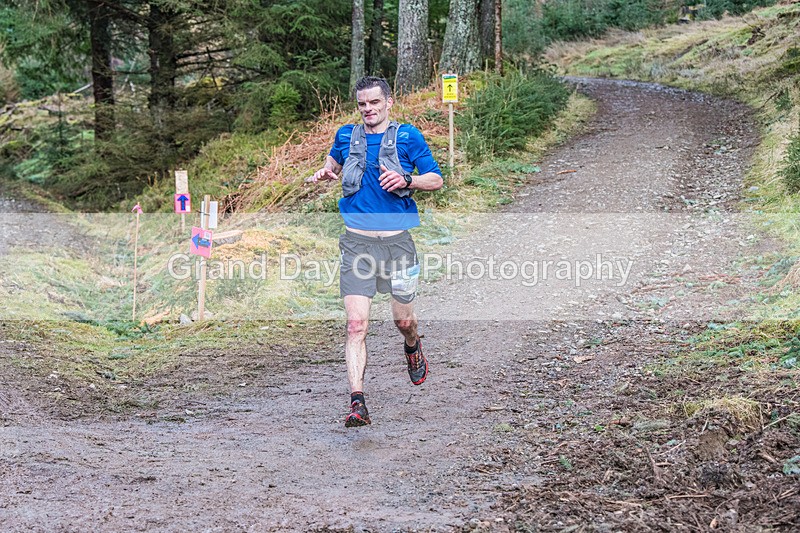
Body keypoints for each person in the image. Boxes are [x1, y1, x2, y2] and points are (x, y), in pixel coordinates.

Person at [308, 76, 444, 427]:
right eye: (362, 104)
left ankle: (413, 347)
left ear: (388, 103)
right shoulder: (345, 136)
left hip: (398, 244)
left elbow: (436, 179)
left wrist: (408, 180)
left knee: (403, 321)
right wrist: (325, 173)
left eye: (374, 103)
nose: (368, 109)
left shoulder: (407, 136)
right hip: (357, 244)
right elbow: (333, 165)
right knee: (356, 325)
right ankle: (357, 402)